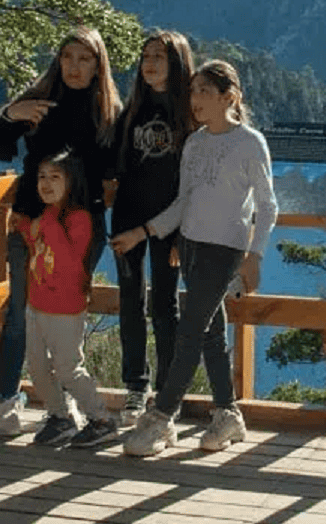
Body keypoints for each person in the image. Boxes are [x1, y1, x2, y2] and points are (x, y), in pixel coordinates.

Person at [109, 59, 276, 457]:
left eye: (204, 91)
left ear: (229, 97)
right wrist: (144, 233)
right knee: (211, 334)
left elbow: (268, 206)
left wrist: (255, 255)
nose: (195, 99)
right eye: (194, 90)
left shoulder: (250, 143)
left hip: (225, 251)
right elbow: (183, 203)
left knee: (188, 333)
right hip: (190, 248)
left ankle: (160, 418)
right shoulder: (195, 143)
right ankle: (228, 415)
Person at [0, 26, 121, 437]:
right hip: (28, 223)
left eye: (85, 58)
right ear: (57, 60)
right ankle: (11, 406)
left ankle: (74, 411)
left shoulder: (108, 112)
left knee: (62, 313)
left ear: (99, 65)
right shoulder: (37, 103)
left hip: (81, 229)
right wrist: (11, 115)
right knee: (20, 316)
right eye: (68, 57)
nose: (75, 66)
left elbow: (118, 170)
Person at [108, 31, 195, 424]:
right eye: (146, 55)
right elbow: (113, 163)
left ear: (177, 62)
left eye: (159, 55)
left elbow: (194, 181)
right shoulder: (133, 110)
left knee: (165, 303)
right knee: (130, 300)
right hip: (127, 215)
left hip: (169, 222)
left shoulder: (189, 112)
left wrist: (180, 230)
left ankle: (167, 393)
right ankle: (135, 387)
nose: (150, 62)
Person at [20, 150, 122, 449]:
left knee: (68, 369)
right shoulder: (46, 214)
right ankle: (60, 417)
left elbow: (69, 264)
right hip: (36, 304)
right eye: (41, 177)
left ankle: (102, 420)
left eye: (55, 177)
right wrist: (26, 227)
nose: (46, 183)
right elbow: (36, 246)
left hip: (65, 309)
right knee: (37, 366)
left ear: (71, 182)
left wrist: (44, 227)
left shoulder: (79, 219)